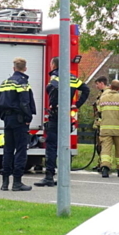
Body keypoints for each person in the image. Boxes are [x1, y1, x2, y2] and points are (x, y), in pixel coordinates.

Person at [38, 57, 89, 187]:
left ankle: (49, 176)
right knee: (64, 146)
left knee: (51, 145)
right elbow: (86, 89)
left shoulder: (55, 76)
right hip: (66, 115)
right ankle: (63, 176)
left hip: (56, 115)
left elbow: (52, 89)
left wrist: (54, 103)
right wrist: (76, 104)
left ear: (53, 65)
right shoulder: (72, 77)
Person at [0, 57, 36, 191]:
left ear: (14, 68)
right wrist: (28, 117)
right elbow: (25, 102)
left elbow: (0, 102)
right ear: (25, 68)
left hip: (8, 119)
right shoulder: (22, 83)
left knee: (7, 150)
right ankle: (17, 182)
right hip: (19, 120)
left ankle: (5, 182)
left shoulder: (4, 83)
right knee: (20, 150)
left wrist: (4, 116)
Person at [96, 78, 119, 178]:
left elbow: (99, 112)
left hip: (105, 128)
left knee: (106, 150)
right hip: (118, 129)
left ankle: (105, 169)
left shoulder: (102, 98)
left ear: (110, 87)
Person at [91, 76, 109, 171]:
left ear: (102, 83)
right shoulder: (102, 94)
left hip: (104, 124)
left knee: (103, 146)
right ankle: (100, 163)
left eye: (97, 84)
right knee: (99, 146)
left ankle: (103, 164)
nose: (96, 86)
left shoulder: (106, 94)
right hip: (101, 124)